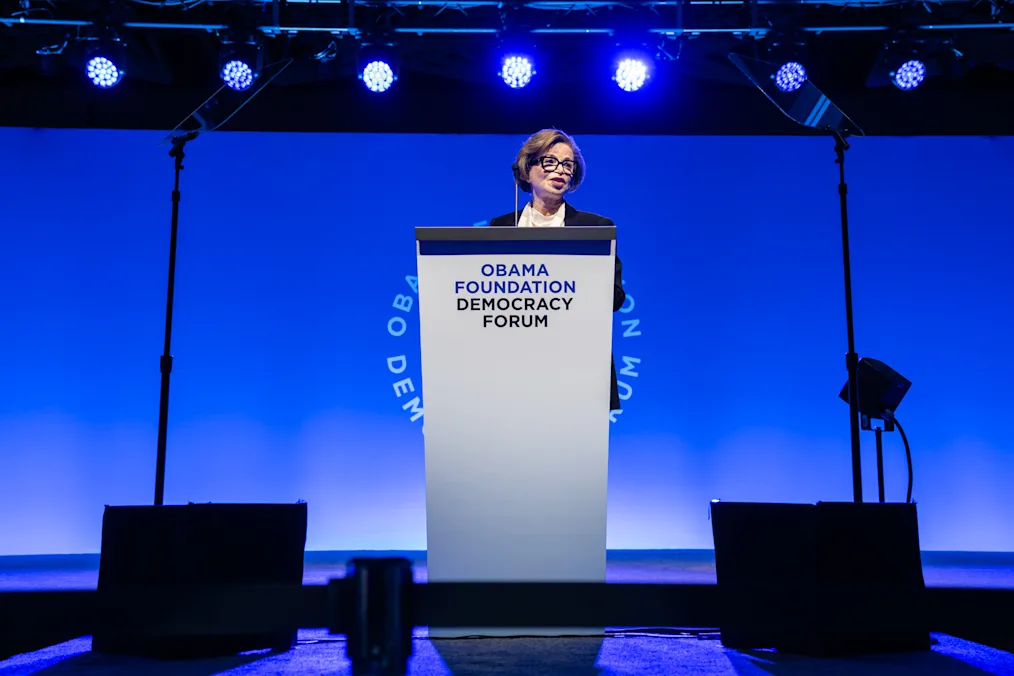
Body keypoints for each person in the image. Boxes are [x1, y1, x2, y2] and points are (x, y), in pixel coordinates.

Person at [490, 129, 626, 412]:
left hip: (578, 370)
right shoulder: (500, 227)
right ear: (527, 170)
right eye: (550, 161)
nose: (561, 171)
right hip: (512, 369)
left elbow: (615, 297)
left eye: (567, 164)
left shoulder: (596, 228)